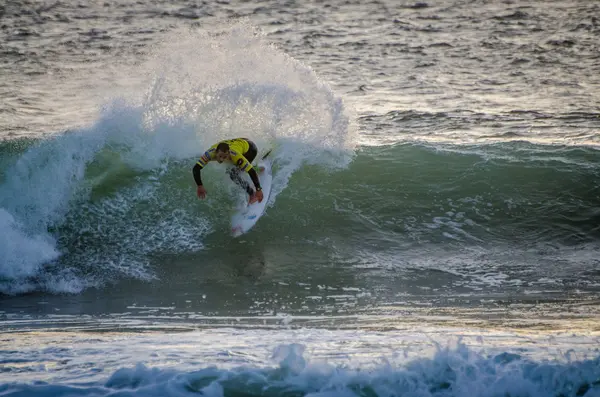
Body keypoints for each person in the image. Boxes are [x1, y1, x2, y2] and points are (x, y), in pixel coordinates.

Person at [192, 138, 264, 204]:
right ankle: (255, 168)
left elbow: (250, 171)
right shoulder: (209, 154)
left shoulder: (235, 155)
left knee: (233, 174)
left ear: (228, 153)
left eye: (224, 157)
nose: (221, 159)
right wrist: (199, 186)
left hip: (250, 149)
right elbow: (196, 168)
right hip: (240, 141)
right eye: (220, 156)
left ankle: (252, 193)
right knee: (235, 169)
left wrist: (259, 190)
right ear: (216, 152)